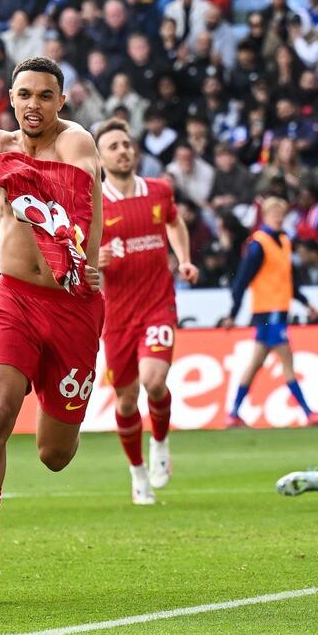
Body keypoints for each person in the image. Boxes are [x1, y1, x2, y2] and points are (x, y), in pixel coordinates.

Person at [0, 56, 103, 589]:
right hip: (13, 297)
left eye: (44, 95)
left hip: (74, 304)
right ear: (11, 100)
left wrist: (20, 175)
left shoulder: (77, 141)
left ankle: (56, 401)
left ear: (61, 101)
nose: (33, 104)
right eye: (24, 95)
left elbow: (76, 187)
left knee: (54, 455)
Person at [95, 121, 198, 505]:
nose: (123, 151)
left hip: (158, 305)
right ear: (100, 158)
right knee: (125, 401)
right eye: (113, 146)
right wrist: (94, 258)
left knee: (154, 382)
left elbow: (174, 222)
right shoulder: (93, 203)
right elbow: (77, 253)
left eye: (126, 144)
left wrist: (183, 259)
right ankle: (138, 473)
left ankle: (160, 442)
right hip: (117, 316)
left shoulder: (158, 190)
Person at [221, 197, 318, 427]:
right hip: (267, 311)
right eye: (274, 214)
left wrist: (305, 303)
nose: (278, 218)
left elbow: (288, 279)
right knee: (287, 360)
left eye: (281, 214)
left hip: (279, 309)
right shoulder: (258, 245)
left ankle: (233, 413)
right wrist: (233, 313)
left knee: (256, 363)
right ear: (265, 216)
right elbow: (241, 280)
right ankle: (309, 413)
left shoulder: (284, 241)